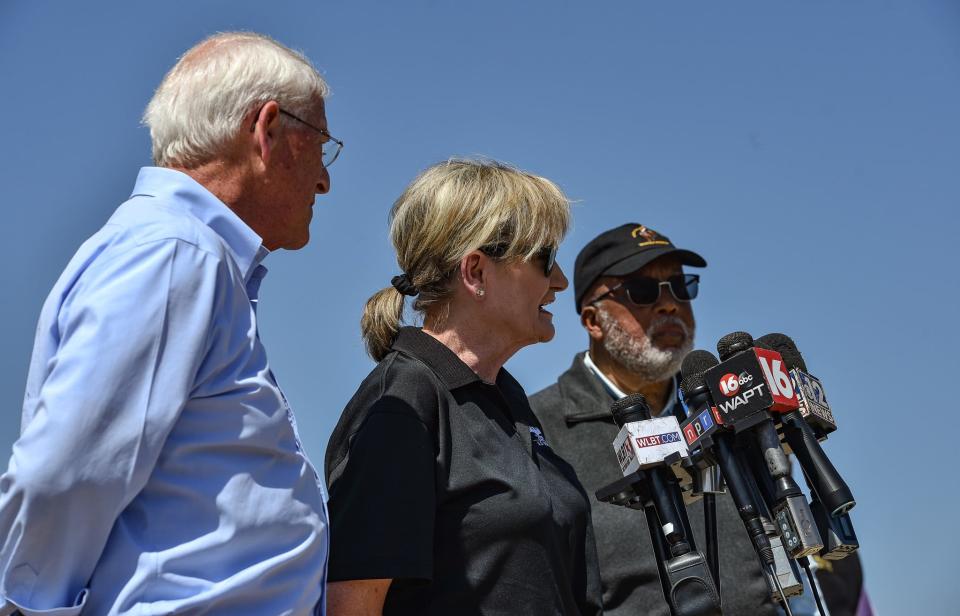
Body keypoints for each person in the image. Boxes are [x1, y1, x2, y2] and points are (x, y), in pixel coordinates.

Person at [0, 32, 340, 615]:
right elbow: (65, 475)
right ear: (267, 130)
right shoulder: (177, 253)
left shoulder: (181, 253)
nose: (324, 180)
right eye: (320, 147)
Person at [323, 159, 603, 616]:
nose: (560, 281)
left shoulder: (507, 400)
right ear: (475, 271)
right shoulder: (404, 400)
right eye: (545, 257)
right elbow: (351, 606)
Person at [530, 223, 783, 615]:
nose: (669, 305)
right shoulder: (536, 429)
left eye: (681, 287)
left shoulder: (728, 410)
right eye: (643, 291)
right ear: (593, 320)